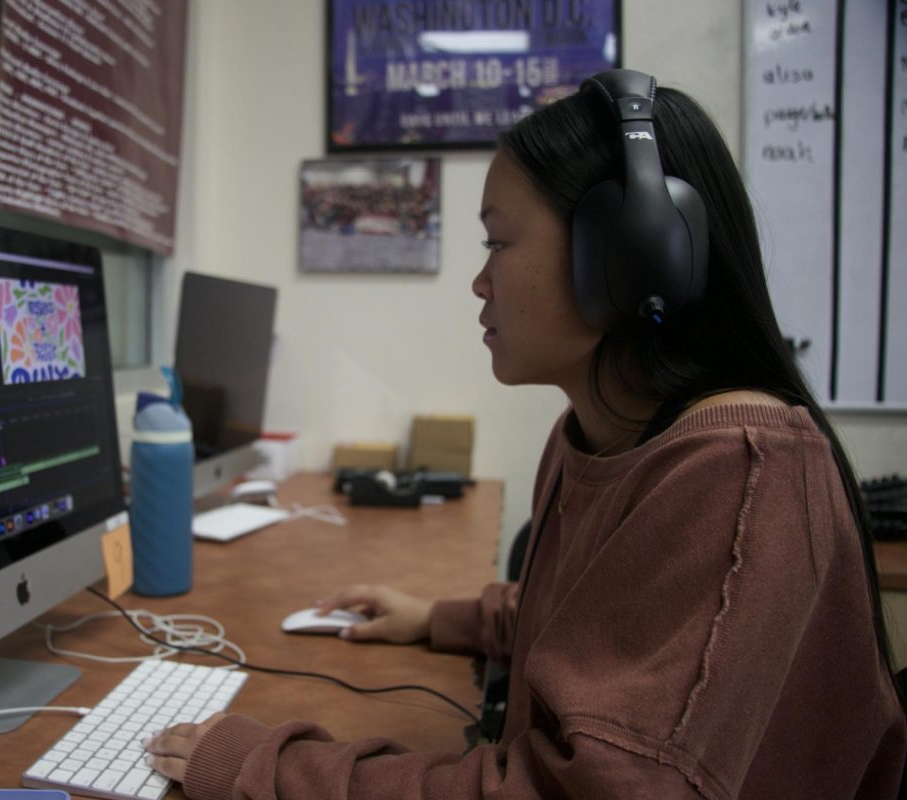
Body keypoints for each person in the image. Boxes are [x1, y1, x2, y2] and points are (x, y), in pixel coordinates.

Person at [143, 71, 907, 798]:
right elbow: (602, 628)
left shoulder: (742, 474)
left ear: (625, 254)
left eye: (497, 244)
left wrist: (266, 769)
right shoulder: (601, 431)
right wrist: (442, 617)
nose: (480, 282)